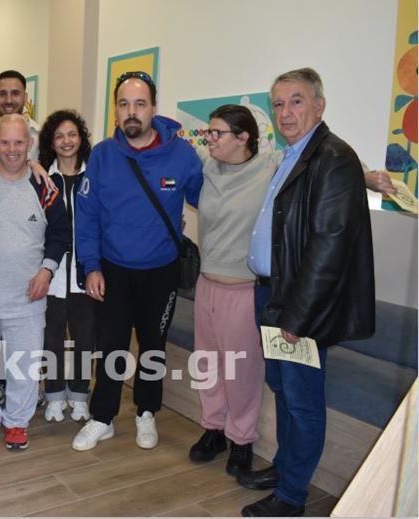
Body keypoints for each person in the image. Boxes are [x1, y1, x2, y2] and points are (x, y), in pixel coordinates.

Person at [238, 68, 376, 517]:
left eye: (296, 101)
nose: (285, 112)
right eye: (278, 103)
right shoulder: (291, 155)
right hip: (272, 295)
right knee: (282, 388)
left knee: (302, 400)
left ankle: (293, 496)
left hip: (299, 305)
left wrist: (297, 316)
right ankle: (284, 468)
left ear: (319, 105)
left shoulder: (334, 157)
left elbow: (329, 246)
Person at [73, 71, 203, 452]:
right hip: (113, 268)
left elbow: (209, 199)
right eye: (124, 104)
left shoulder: (182, 155)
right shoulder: (102, 156)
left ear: (153, 108)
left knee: (153, 345)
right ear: (115, 110)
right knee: (110, 345)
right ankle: (102, 417)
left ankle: (147, 411)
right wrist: (91, 266)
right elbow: (87, 216)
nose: (132, 112)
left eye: (140, 104)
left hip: (161, 270)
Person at [0, 114, 71, 450]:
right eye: (6, 142)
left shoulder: (44, 186)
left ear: (30, 144)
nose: (12, 149)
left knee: (24, 366)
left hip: (29, 296)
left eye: (19, 142)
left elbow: (60, 234)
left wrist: (46, 271)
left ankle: (17, 422)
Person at [187, 105, 279, 476]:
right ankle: (213, 429)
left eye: (217, 133)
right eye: (208, 132)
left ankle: (241, 439)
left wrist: (368, 177)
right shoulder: (209, 166)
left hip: (243, 289)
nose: (209, 139)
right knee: (207, 364)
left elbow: (319, 162)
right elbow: (164, 135)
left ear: (243, 137)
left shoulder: (270, 166)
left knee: (241, 370)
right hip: (206, 283)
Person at [37, 109, 95, 423]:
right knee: (52, 338)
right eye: (59, 136)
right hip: (53, 274)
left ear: (81, 138)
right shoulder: (42, 179)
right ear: (51, 142)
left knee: (85, 338)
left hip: (86, 273)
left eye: (72, 134)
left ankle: (80, 395)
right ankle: (55, 395)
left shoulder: (94, 177)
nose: (66, 141)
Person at [0, 70, 41, 160]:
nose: (9, 100)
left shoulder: (41, 137)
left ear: (25, 98)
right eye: (2, 94)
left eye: (15, 93)